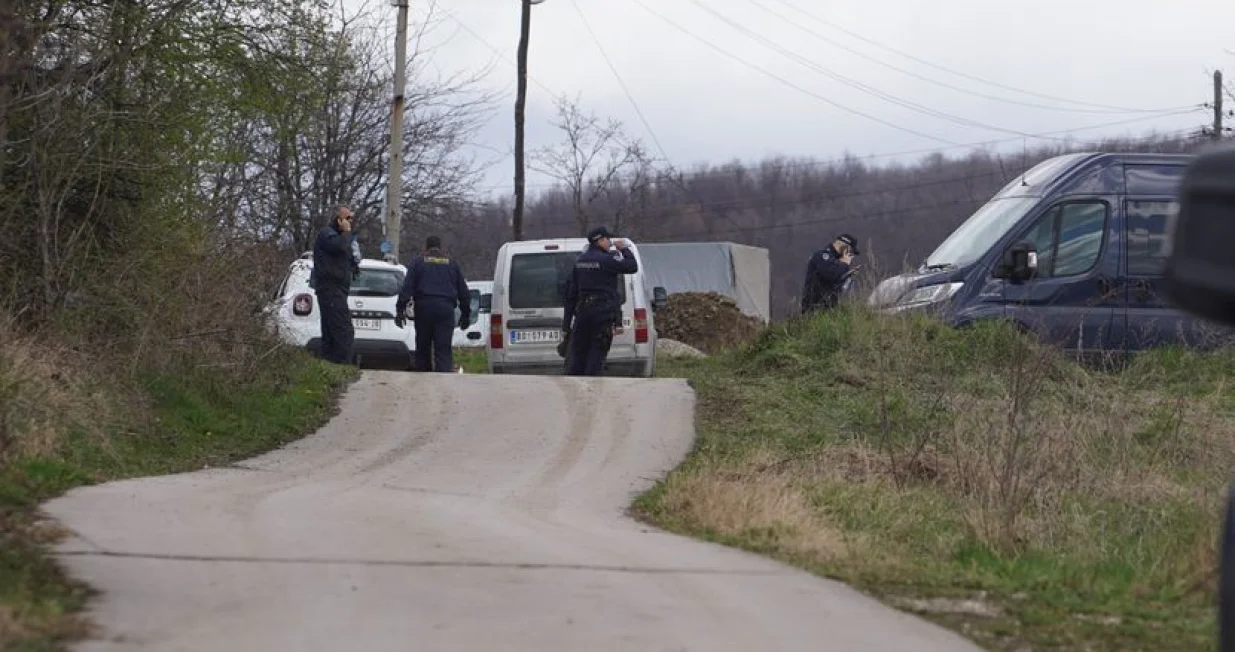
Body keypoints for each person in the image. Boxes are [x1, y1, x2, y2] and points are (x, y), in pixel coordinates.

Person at [561, 226, 638, 376]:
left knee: (578, 356)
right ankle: (592, 384)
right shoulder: (607, 260)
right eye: (607, 239)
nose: (609, 242)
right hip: (601, 315)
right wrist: (624, 249)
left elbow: (571, 295)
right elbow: (632, 266)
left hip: (582, 314)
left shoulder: (580, 261)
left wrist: (566, 324)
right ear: (601, 240)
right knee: (596, 355)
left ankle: (576, 384)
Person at [394, 235, 471, 372]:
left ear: (426, 247)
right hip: (445, 309)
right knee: (443, 348)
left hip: (424, 308)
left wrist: (400, 310)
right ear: (440, 247)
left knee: (423, 348)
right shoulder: (451, 264)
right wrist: (466, 314)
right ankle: (443, 377)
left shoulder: (417, 263)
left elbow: (407, 288)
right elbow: (463, 292)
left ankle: (424, 379)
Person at [312, 205, 358, 364]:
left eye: (351, 218)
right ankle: (342, 364)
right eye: (347, 218)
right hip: (331, 289)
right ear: (338, 220)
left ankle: (330, 364)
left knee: (331, 332)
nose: (350, 222)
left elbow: (345, 254)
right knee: (343, 330)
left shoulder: (341, 237)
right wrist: (346, 232)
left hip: (338, 289)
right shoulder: (327, 234)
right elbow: (339, 247)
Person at [800, 233, 860, 314]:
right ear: (845, 248)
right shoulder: (822, 256)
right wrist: (844, 265)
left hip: (829, 308)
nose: (850, 256)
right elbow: (831, 274)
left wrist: (849, 276)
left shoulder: (837, 262)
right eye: (850, 251)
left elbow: (838, 287)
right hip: (814, 307)